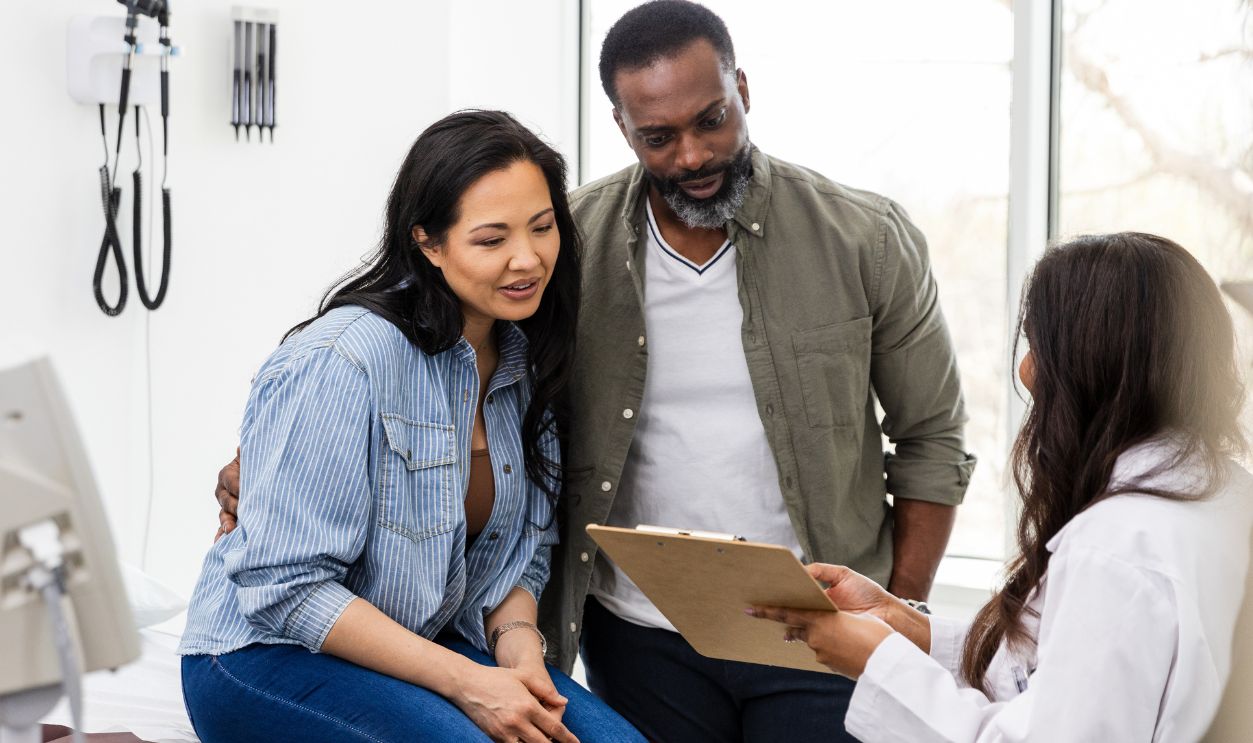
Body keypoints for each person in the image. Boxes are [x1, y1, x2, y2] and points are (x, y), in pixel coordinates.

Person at [216, 2, 973, 740]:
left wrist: (897, 612)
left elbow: (932, 439)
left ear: (742, 90)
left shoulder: (862, 238)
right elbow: (379, 373)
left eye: (711, 118)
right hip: (638, 629)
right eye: (658, 135)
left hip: (818, 628)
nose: (692, 155)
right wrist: (267, 466)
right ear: (621, 128)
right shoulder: (564, 247)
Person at [180, 110, 643, 743]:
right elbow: (283, 587)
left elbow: (517, 561)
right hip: (262, 656)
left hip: (423, 653)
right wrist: (466, 682)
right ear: (427, 242)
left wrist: (521, 658)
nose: (528, 258)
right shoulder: (341, 360)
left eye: (542, 227)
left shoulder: (522, 365)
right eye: (491, 239)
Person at [750, 232, 1253, 741]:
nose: (1027, 370)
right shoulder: (1225, 495)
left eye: (1038, 344)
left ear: (1088, 365)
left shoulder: (1112, 548)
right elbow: (1059, 664)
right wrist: (904, 625)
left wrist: (877, 660)